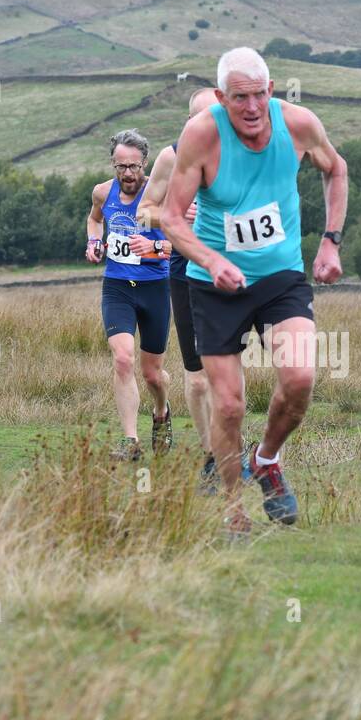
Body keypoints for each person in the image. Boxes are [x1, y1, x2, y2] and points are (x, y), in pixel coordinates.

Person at [159, 47, 347, 535]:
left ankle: (266, 460)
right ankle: (231, 505)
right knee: (229, 405)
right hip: (214, 285)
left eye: (260, 95)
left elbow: (336, 169)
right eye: (239, 97)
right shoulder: (201, 135)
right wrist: (211, 259)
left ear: (272, 90)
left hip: (280, 277)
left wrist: (330, 241)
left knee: (301, 377)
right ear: (222, 97)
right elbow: (171, 218)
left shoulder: (299, 124)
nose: (251, 107)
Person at [139, 87, 220, 486]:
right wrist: (174, 218)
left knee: (231, 367)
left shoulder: (243, 154)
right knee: (199, 373)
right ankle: (210, 456)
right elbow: (144, 213)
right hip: (186, 269)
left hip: (233, 267)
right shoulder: (172, 157)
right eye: (200, 120)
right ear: (189, 122)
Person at [86, 129, 173, 461]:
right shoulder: (101, 193)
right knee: (123, 359)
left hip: (155, 288)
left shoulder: (160, 195)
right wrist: (94, 242)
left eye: (134, 166)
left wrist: (154, 247)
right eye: (121, 166)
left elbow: (181, 241)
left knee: (153, 373)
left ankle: (162, 411)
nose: (127, 174)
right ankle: (130, 440)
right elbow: (94, 221)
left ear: (145, 163)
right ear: (113, 164)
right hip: (117, 286)